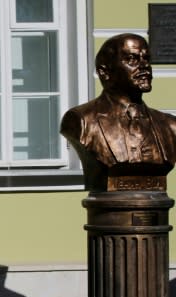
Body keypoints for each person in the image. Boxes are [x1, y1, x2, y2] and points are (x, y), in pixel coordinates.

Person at [60, 33, 176, 191]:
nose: (144, 66)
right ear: (105, 72)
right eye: (132, 59)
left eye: (146, 59)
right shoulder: (82, 121)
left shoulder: (169, 126)